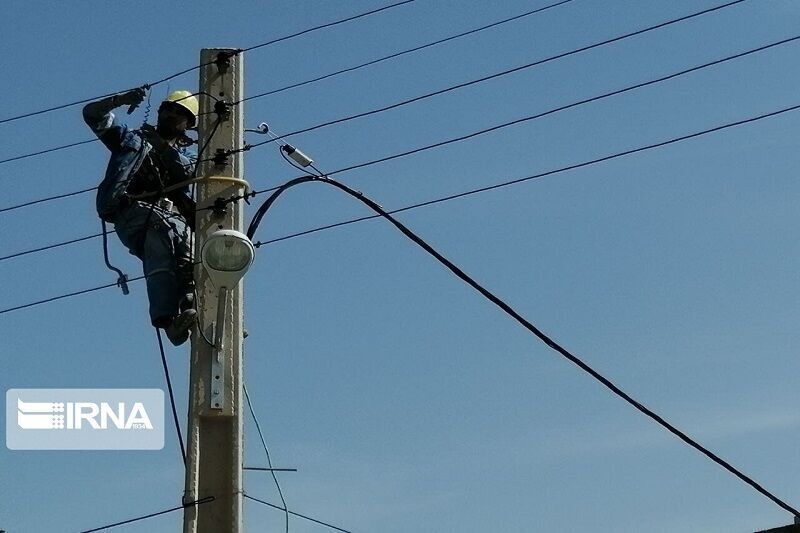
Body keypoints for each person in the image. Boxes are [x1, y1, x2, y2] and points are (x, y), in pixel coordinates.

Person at [83, 89, 200, 346]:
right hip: (133, 213)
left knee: (193, 249)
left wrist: (159, 145)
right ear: (158, 111)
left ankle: (190, 299)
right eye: (168, 108)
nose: (171, 114)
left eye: (180, 113)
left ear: (189, 125)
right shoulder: (130, 140)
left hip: (173, 218)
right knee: (158, 237)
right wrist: (120, 99)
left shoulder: (191, 157)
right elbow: (92, 114)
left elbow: (185, 170)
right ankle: (168, 321)